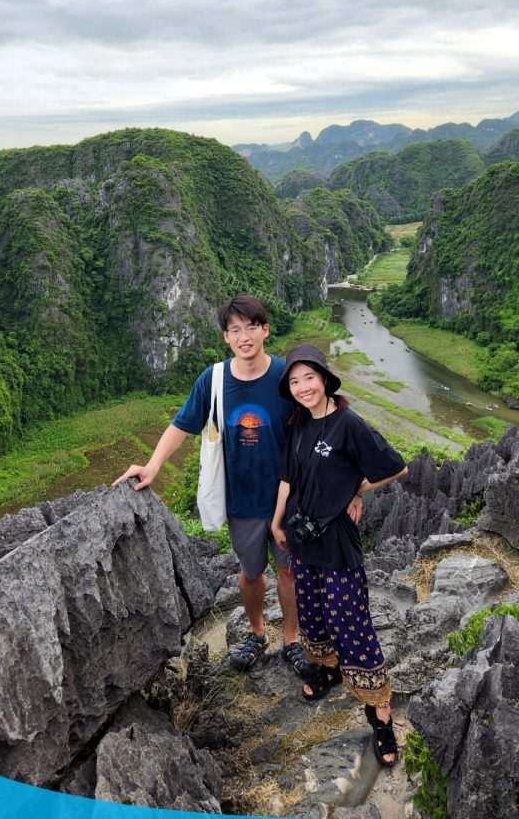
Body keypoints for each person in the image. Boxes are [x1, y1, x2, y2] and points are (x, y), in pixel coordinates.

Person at [112, 294, 312, 678]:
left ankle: (291, 638)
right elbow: (182, 424)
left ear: (265, 330)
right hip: (242, 501)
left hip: (290, 497)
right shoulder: (214, 379)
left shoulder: (288, 376)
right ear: (226, 337)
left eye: (251, 327)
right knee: (251, 572)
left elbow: (322, 421)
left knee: (289, 571)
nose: (244, 336)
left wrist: (350, 486)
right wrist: (152, 465)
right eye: (235, 329)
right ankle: (256, 633)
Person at [271, 345, 408, 768]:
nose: (302, 388)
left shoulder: (347, 423)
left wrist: (356, 490)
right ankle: (329, 669)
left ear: (326, 380)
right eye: (294, 382)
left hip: (337, 542)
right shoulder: (296, 425)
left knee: (351, 619)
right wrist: (277, 522)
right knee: (312, 612)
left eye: (308, 378)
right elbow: (287, 478)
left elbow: (395, 466)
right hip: (302, 538)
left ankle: (380, 713)